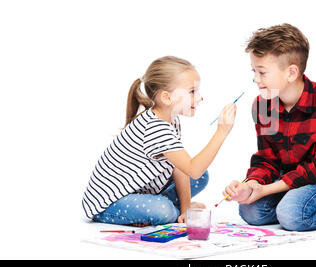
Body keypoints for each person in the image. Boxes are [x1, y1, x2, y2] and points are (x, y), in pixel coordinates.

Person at [223, 24, 316, 231]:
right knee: (250, 211)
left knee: (292, 215)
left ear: (291, 72)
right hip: (293, 177)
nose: (255, 79)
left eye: (262, 72)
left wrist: (267, 190)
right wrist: (252, 183)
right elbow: (267, 159)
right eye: (254, 71)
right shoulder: (264, 105)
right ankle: (293, 203)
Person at [82, 56, 236, 226]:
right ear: (167, 98)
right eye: (192, 92)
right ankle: (161, 210)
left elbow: (182, 169)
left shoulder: (171, 119)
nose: (200, 98)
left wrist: (186, 211)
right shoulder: (156, 129)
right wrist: (221, 132)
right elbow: (193, 168)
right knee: (164, 211)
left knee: (201, 177)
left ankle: (161, 209)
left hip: (139, 190)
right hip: (108, 203)